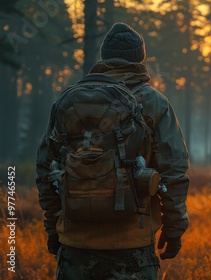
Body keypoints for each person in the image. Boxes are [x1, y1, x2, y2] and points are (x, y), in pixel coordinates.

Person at [36, 22, 190, 279]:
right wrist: (174, 228)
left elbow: (45, 168)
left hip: (75, 244)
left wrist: (53, 229)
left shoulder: (69, 101)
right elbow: (174, 171)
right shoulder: (153, 102)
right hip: (132, 246)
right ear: (140, 58)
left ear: (104, 57)